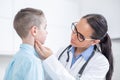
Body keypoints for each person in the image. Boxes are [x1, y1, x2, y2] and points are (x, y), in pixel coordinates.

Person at [35, 14, 114, 80]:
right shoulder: (63, 51)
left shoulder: (100, 63)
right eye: (75, 29)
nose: (73, 36)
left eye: (80, 36)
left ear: (94, 42)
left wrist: (51, 60)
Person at [4, 7, 47, 80]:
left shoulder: (16, 57)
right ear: (34, 31)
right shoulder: (33, 61)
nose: (46, 32)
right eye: (44, 28)